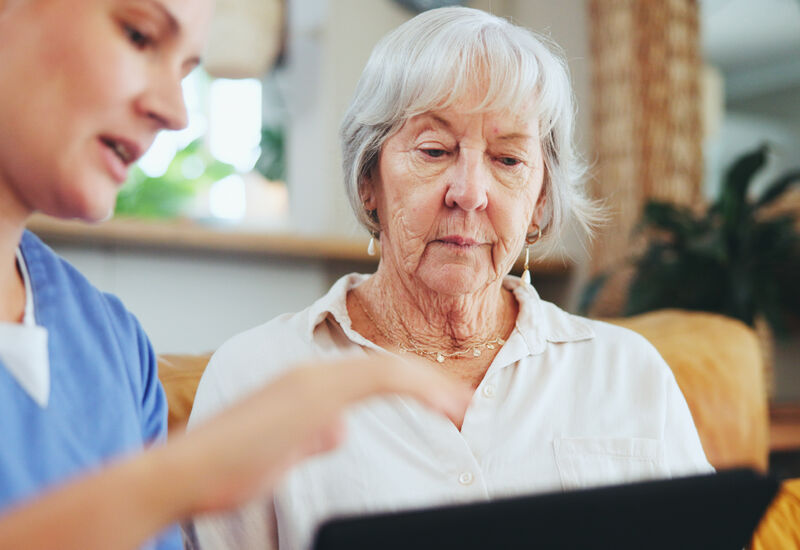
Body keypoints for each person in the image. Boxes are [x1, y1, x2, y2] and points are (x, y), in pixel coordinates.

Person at [188, 6, 715, 550]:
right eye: (434, 151)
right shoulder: (255, 377)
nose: (470, 192)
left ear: (539, 202)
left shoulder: (628, 372)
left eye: (508, 160)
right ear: (369, 180)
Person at [0, 1, 471, 549]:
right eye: (139, 36)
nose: (176, 111)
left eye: (185, 70)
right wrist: (179, 477)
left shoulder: (111, 344)